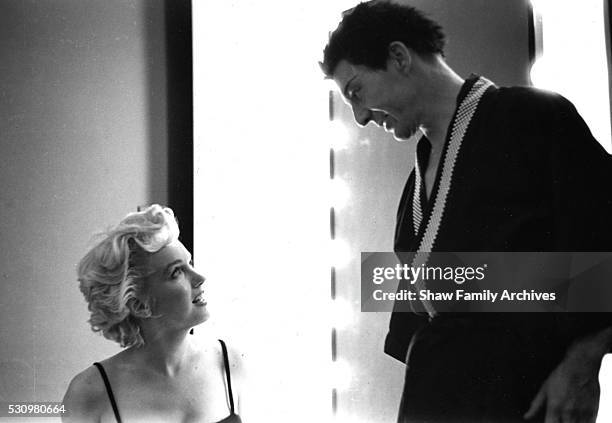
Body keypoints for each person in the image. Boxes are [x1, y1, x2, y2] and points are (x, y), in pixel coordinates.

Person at [321, 1, 612, 422]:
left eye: (356, 92)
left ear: (399, 57)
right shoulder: (414, 195)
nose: (361, 116)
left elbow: (604, 246)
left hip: (524, 400)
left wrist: (583, 362)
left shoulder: (533, 118)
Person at [62, 205, 243, 423]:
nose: (199, 277)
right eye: (177, 272)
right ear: (139, 304)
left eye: (190, 263)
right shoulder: (90, 391)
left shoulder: (228, 362)